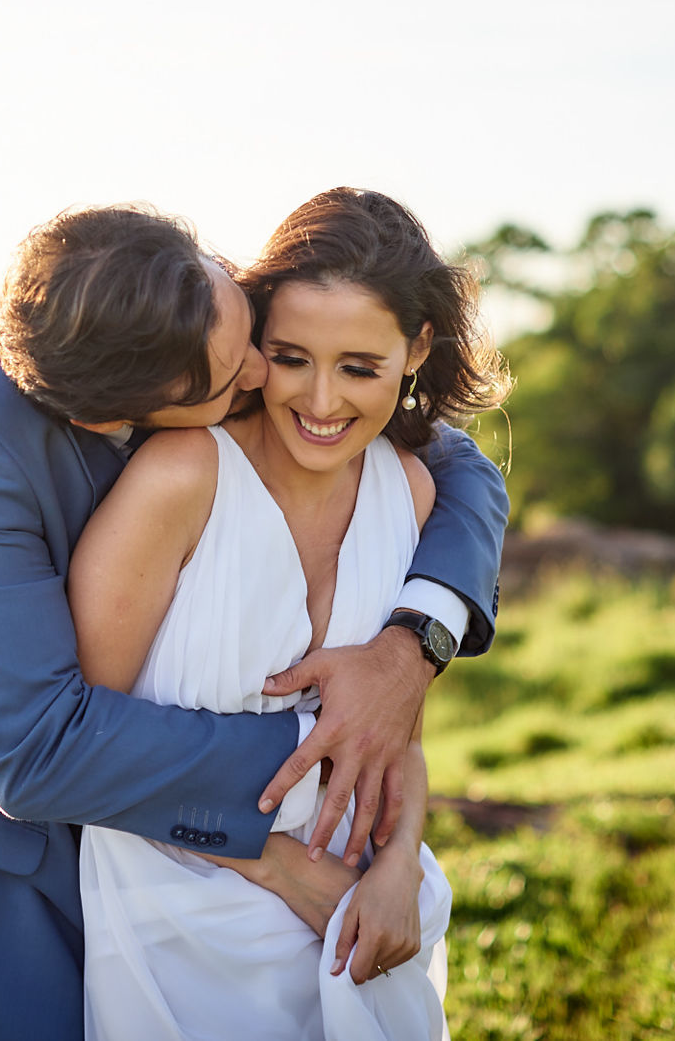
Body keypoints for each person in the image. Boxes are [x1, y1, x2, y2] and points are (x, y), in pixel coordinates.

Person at [0, 203, 508, 1040]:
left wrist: (410, 646)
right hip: (30, 865)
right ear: (120, 417)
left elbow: (459, 463)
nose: (262, 377)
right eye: (244, 371)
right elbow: (35, 752)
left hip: (287, 876)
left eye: (247, 325)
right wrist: (326, 758)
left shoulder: (185, 303)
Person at [69, 188, 508, 1040]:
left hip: (352, 910)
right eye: (291, 355)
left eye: (359, 367)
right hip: (174, 911)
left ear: (416, 350)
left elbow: (394, 732)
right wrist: (277, 869)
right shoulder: (182, 477)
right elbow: (86, 746)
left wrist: (397, 868)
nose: (320, 401)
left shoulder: (409, 491)